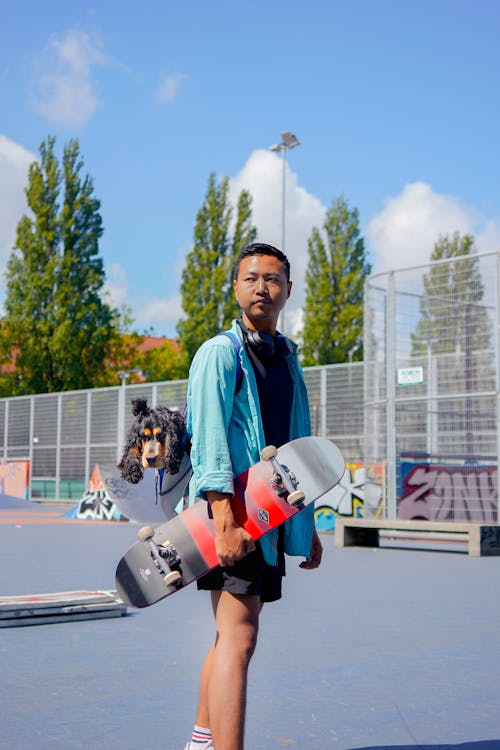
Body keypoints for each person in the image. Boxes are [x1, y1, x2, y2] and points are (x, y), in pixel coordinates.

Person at [184, 242, 323, 750]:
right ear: (237, 287)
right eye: (252, 278)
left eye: (273, 279)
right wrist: (224, 518)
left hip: (268, 519)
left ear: (288, 289)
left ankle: (201, 741)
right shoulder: (220, 353)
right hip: (234, 518)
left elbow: (296, 444)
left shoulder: (286, 357)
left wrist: (304, 525)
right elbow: (211, 438)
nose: (262, 287)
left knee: (231, 636)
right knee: (240, 638)